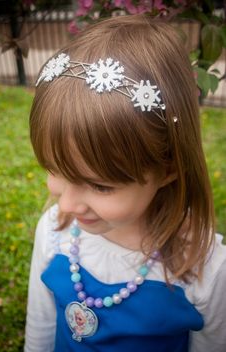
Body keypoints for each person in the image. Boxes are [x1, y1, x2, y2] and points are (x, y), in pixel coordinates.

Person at [24, 15, 226, 352]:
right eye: (55, 169)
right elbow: (40, 328)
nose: (67, 206)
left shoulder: (204, 269)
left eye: (101, 186)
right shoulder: (54, 232)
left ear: (168, 170)